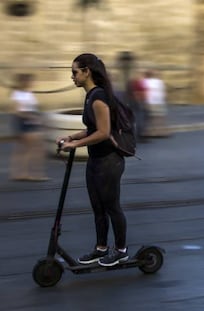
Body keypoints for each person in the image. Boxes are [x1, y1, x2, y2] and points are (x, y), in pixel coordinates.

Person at [56, 53, 128, 267]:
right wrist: (71, 136)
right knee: (97, 206)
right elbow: (91, 129)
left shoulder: (98, 97)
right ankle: (101, 248)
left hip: (109, 160)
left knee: (112, 206)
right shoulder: (90, 96)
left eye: (75, 72)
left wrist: (76, 145)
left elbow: (104, 132)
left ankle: (121, 250)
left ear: (87, 71)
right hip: (96, 159)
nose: (73, 77)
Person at [9, 73, 49, 181]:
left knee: (25, 149)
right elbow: (16, 111)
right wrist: (33, 118)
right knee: (36, 148)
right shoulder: (18, 94)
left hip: (29, 121)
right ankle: (34, 174)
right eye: (31, 81)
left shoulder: (27, 93)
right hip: (26, 122)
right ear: (24, 82)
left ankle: (20, 173)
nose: (33, 83)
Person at [143, 70, 168, 137]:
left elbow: (145, 92)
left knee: (150, 118)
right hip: (160, 101)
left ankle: (151, 132)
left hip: (150, 101)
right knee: (160, 117)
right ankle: (161, 132)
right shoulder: (159, 81)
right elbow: (164, 92)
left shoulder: (145, 82)